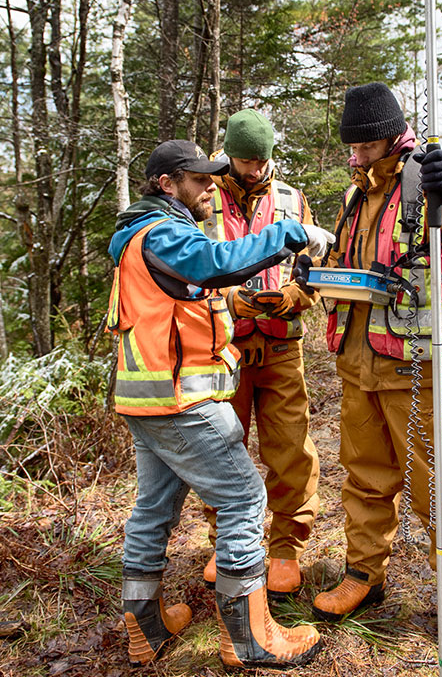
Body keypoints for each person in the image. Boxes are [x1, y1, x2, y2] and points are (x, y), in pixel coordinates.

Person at [107, 139, 333, 669]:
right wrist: (293, 233)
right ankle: (250, 636)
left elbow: (201, 289)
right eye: (199, 178)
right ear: (168, 184)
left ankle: (146, 625)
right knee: (245, 500)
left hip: (147, 399)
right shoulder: (161, 232)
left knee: (153, 509)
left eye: (214, 176)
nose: (211, 185)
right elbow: (215, 263)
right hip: (181, 399)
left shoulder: (141, 235)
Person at [302, 83, 442, 660]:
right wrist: (315, 269)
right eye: (350, 147)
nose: (353, 156)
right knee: (364, 476)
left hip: (420, 363)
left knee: (437, 484)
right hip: (358, 363)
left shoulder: (429, 174)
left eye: (362, 146)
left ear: (388, 135)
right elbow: (349, 263)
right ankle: (363, 575)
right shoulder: (354, 195)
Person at [197, 109, 320, 600]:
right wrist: (231, 300)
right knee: (222, 452)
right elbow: (185, 271)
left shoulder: (292, 200)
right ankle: (225, 543)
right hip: (222, 348)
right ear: (229, 154)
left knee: (290, 449)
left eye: (261, 160)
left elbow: (315, 263)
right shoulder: (201, 195)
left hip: (282, 347)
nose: (254, 169)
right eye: (244, 160)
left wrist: (295, 296)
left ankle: (286, 549)